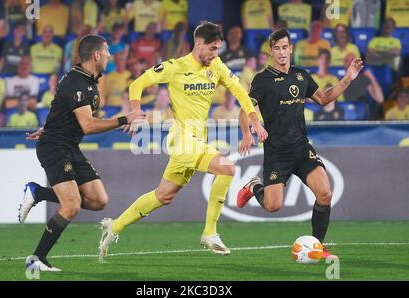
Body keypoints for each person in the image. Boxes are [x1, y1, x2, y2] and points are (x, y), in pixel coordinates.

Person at [98, 21, 266, 259]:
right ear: (199, 44)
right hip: (182, 139)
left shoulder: (216, 66)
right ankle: (210, 232)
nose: (215, 54)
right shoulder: (175, 67)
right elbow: (137, 84)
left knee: (163, 195)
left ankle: (113, 226)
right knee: (227, 167)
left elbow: (240, 92)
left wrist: (254, 120)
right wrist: (135, 113)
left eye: (218, 49)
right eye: (212, 49)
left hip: (197, 139)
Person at [20, 34, 146, 271]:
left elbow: (64, 111)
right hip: (55, 147)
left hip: (69, 145)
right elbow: (88, 125)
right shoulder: (78, 83)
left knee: (99, 200)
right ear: (96, 55)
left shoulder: (87, 79)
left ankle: (38, 192)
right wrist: (123, 119)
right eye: (107, 50)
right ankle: (36, 259)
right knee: (71, 205)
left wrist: (48, 126)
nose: (110, 54)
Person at [236, 28, 363, 258]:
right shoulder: (262, 80)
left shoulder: (301, 76)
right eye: (277, 48)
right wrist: (249, 131)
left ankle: (317, 246)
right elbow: (244, 110)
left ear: (291, 48)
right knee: (273, 206)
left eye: (285, 47)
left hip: (301, 147)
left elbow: (324, 99)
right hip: (277, 152)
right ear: (271, 51)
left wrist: (347, 79)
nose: (282, 52)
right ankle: (254, 186)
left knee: (324, 194)